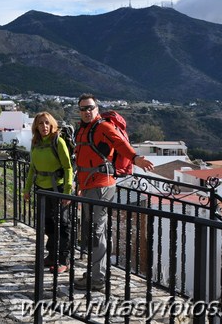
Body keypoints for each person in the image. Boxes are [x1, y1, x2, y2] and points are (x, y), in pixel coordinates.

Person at [73, 94, 154, 291]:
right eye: (83, 108)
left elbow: (120, 144)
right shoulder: (82, 129)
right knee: (93, 231)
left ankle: (98, 278)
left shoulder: (102, 127)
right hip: (88, 186)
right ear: (79, 111)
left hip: (100, 186)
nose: (87, 111)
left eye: (90, 107)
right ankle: (95, 272)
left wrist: (136, 159)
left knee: (95, 232)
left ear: (96, 108)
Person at [22, 112, 74, 273]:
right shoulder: (36, 142)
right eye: (40, 123)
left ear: (52, 124)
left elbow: (68, 168)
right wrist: (27, 189)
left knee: (63, 224)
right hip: (42, 189)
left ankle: (64, 260)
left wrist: (67, 191)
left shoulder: (57, 141)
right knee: (48, 224)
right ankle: (52, 255)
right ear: (36, 126)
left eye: (46, 123)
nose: (44, 126)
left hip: (57, 188)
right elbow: (32, 168)